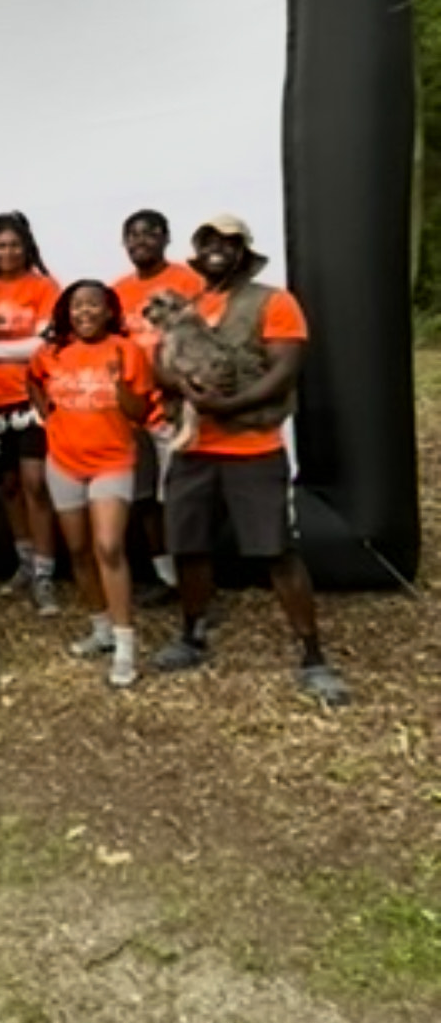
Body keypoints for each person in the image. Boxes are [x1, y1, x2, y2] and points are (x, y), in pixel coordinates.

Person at [150, 215, 350, 707]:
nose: (218, 249)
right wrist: (178, 386)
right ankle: (192, 636)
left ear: (244, 250)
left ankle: (313, 656)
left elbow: (284, 371)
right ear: (197, 252)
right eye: (208, 242)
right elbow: (162, 361)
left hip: (252, 448)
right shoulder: (190, 303)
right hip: (193, 448)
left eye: (229, 242)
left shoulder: (274, 302)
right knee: (189, 545)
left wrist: (227, 406)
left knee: (276, 551)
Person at [29, 281, 151, 689]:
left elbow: (138, 412)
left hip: (112, 462)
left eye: (93, 305)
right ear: (67, 312)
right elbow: (33, 378)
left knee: (109, 547)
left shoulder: (126, 350)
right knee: (79, 550)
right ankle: (99, 627)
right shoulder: (52, 352)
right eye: (77, 306)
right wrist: (43, 410)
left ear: (108, 311)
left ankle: (125, 644)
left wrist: (118, 385)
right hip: (64, 462)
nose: (84, 312)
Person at [112, 210, 204, 601]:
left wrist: (182, 393)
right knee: (146, 500)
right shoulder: (116, 290)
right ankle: (167, 579)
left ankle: (197, 585)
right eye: (132, 235)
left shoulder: (188, 281)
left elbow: (203, 339)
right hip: (135, 412)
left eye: (150, 233)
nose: (141, 241)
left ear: (166, 238)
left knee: (183, 500)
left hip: (176, 409)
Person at [0, 211, 61, 613]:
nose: (7, 252)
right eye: (0, 245)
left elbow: (43, 344)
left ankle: (45, 571)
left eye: (14, 245)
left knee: (35, 483)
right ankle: (24, 562)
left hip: (31, 400)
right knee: (8, 486)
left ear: (28, 248)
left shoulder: (44, 288)